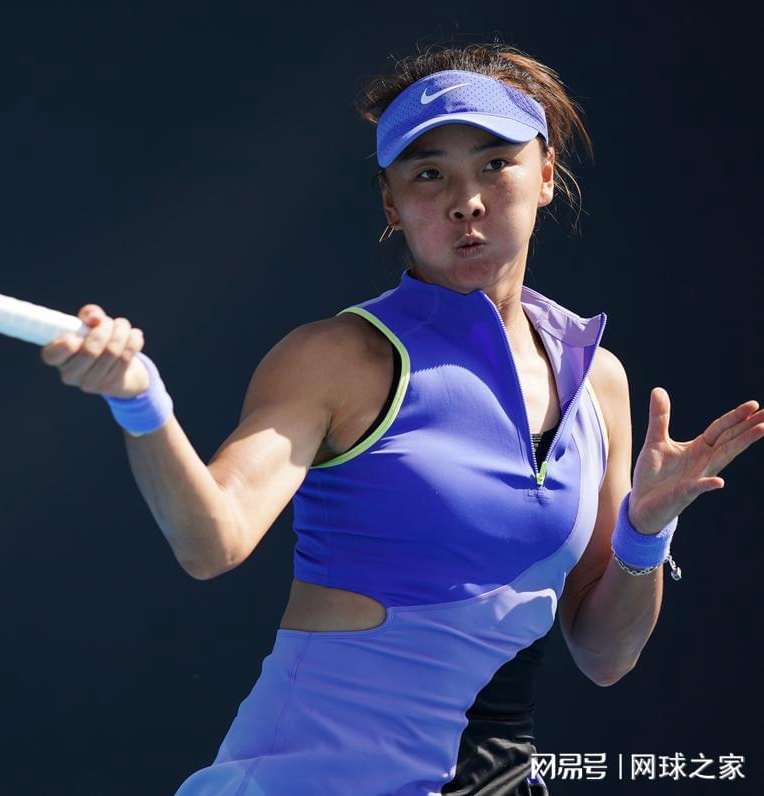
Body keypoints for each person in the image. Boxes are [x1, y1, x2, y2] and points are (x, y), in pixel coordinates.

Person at [39, 42, 764, 795]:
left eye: (496, 164)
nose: (467, 200)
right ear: (391, 204)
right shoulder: (335, 359)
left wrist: (644, 534)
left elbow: (606, 656)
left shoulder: (598, 381)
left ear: (546, 175)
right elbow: (210, 541)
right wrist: (140, 401)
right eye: (428, 174)